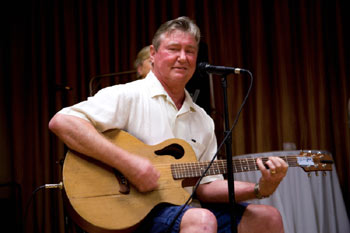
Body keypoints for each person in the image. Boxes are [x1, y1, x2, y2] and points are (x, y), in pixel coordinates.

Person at [49, 16, 288, 233]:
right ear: (153, 53)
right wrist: (128, 164)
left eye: (190, 51)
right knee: (201, 220)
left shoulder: (202, 119)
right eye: (174, 49)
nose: (183, 58)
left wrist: (260, 188)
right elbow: (63, 122)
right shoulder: (127, 95)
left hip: (181, 208)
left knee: (267, 217)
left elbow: (205, 187)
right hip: (134, 211)